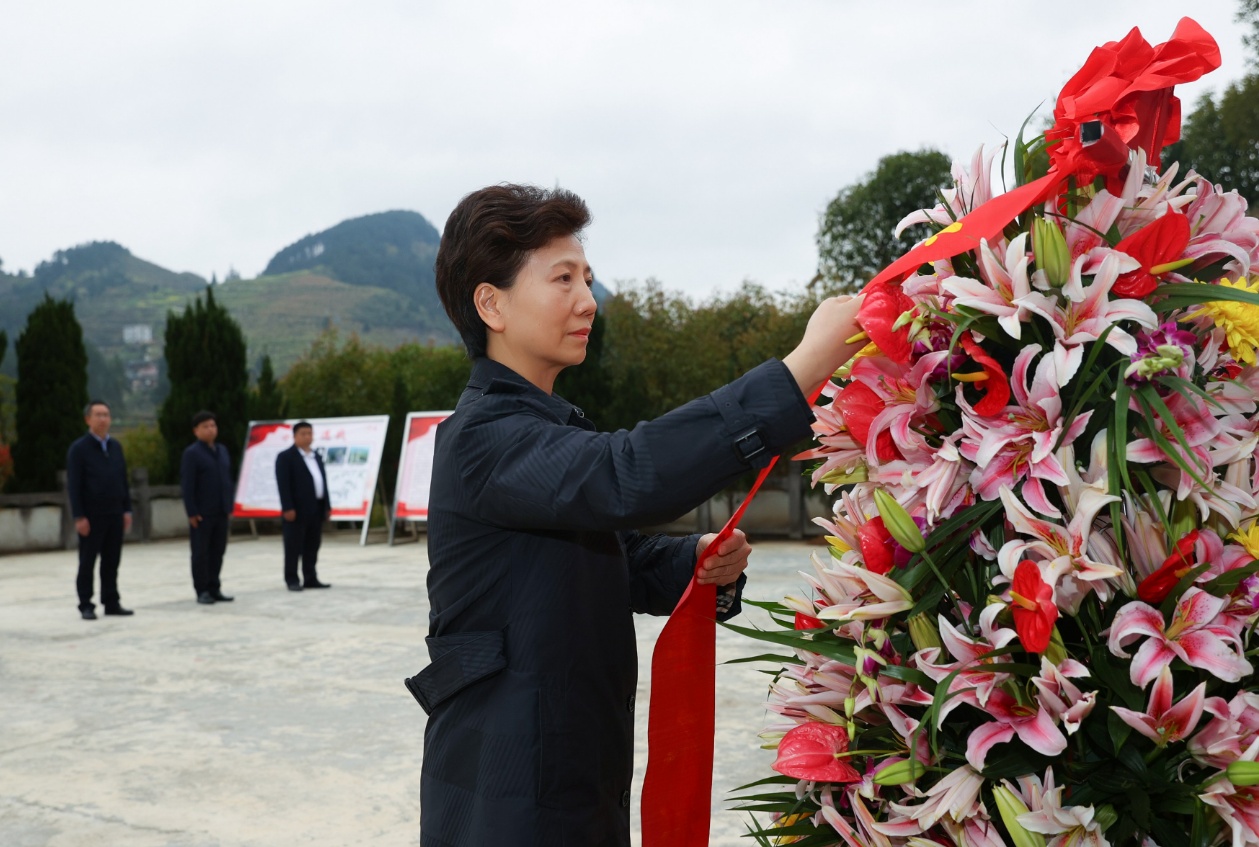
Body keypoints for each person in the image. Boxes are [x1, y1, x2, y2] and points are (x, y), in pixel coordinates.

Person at [413, 184, 865, 846]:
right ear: (491, 303)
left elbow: (609, 556)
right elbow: (626, 476)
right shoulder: (485, 435)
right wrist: (804, 365)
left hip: (571, 771)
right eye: (562, 278)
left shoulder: (542, 426)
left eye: (588, 278)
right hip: (505, 792)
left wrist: (693, 558)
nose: (587, 300)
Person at [65, 400, 134, 620]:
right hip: (91, 516)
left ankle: (111, 601)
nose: (103, 419)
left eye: (106, 414)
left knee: (112, 560)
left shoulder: (115, 447)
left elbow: (123, 480)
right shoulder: (79, 449)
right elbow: (74, 485)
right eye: (98, 415)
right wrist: (79, 516)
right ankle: (86, 603)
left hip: (115, 512)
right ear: (88, 419)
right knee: (88, 561)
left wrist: (127, 510)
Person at [180, 410, 234, 605]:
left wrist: (229, 505)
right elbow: (188, 485)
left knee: (218, 551)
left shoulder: (222, 450)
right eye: (205, 426)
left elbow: (227, 480)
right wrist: (192, 512)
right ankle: (201, 589)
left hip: (221, 511)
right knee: (200, 553)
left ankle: (214, 587)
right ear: (196, 431)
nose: (210, 430)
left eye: (213, 426)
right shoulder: (192, 453)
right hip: (202, 513)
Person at [274, 420, 331, 591]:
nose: (307, 437)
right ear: (295, 436)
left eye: (310, 433)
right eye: (303, 434)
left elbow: (322, 482)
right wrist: (287, 507)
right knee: (293, 545)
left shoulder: (316, 456)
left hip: (316, 507)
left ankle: (310, 577)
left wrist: (327, 506)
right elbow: (283, 485)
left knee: (312, 544)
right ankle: (291, 578)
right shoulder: (286, 457)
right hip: (296, 510)